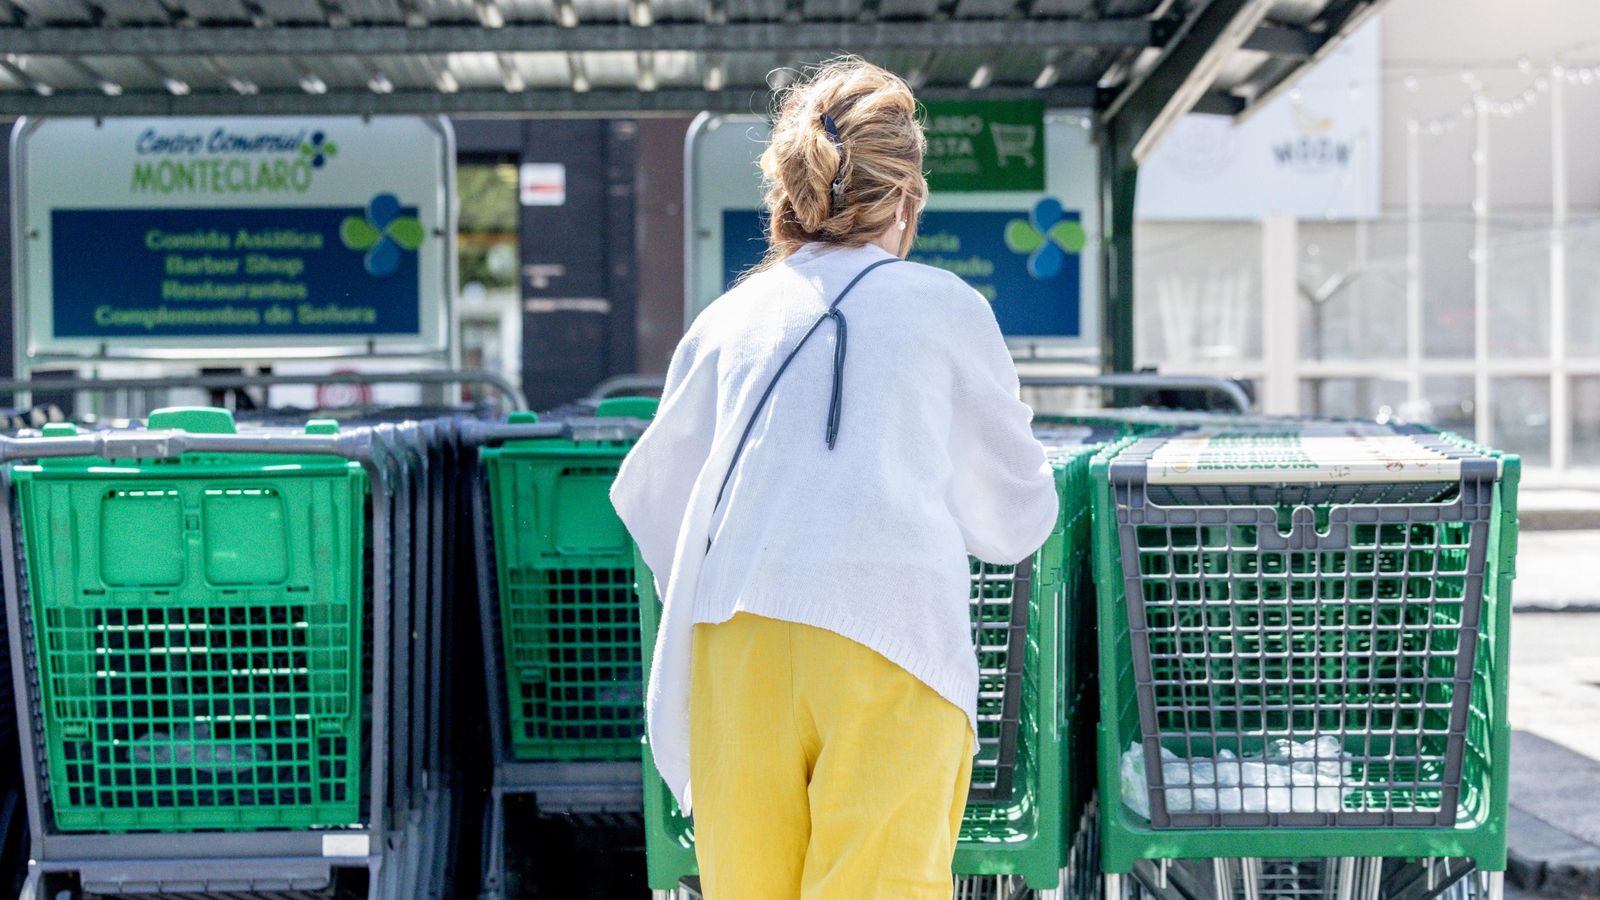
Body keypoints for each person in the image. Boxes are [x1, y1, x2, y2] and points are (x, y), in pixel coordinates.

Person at [610, 57, 1059, 899]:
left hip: (734, 641)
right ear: (903, 197)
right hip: (890, 640)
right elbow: (1014, 519)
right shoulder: (947, 307)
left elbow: (652, 496)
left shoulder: (726, 320)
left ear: (787, 192)